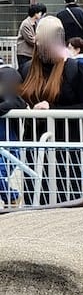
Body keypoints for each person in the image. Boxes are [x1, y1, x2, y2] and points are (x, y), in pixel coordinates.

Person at [19, 16, 83, 205]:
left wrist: (52, 109)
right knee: (35, 198)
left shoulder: (77, 69)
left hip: (67, 147)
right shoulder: (27, 69)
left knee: (67, 200)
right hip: (34, 146)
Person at [0, 64, 26, 207]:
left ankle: (12, 196)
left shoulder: (7, 75)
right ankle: (11, 197)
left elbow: (16, 102)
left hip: (8, 145)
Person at [16, 3, 46, 69]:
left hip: (31, 53)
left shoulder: (36, 23)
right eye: (40, 12)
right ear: (35, 13)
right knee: (24, 71)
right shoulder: (25, 24)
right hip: (24, 53)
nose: (41, 14)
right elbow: (31, 40)